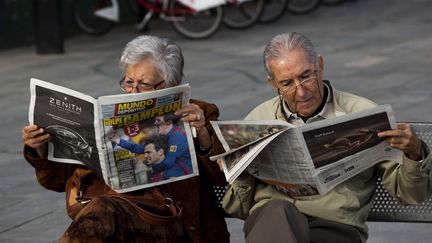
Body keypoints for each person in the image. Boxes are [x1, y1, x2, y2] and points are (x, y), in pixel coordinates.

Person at [222, 32, 432, 243]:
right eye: (287, 83)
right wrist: (239, 172)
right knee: (276, 210)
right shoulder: (259, 119)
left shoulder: (363, 115)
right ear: (273, 83)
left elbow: (409, 194)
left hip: (334, 226)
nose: (301, 92)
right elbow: (238, 210)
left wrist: (414, 153)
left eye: (306, 76)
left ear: (320, 66)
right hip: (273, 221)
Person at [22, 35, 229, 242]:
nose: (133, 90)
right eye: (129, 82)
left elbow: (224, 177)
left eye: (144, 84)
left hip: (169, 220)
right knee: (102, 214)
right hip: (112, 210)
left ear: (169, 84)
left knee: (102, 213)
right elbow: (57, 181)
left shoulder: (198, 113)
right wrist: (39, 147)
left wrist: (202, 134)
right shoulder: (111, 119)